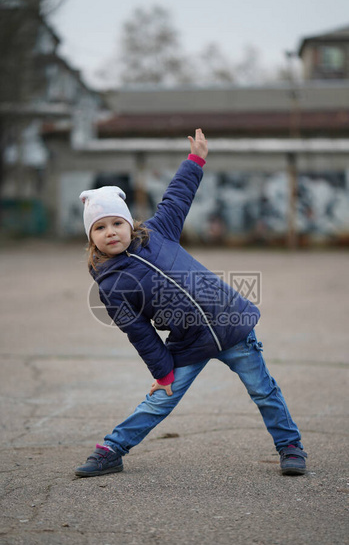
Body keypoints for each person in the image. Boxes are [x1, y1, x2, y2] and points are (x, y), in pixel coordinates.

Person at [75, 129, 307, 478]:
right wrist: (163, 371)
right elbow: (139, 332)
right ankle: (112, 449)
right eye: (100, 228)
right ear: (91, 238)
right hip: (188, 343)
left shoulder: (159, 231)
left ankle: (290, 447)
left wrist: (196, 160)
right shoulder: (111, 285)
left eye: (117, 223)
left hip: (231, 325)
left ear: (129, 223)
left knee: (263, 390)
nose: (111, 232)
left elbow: (177, 196)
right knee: (161, 398)